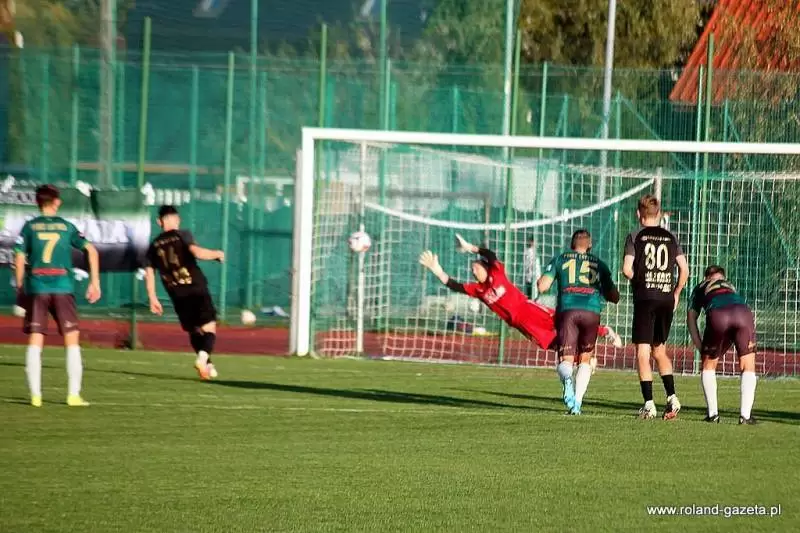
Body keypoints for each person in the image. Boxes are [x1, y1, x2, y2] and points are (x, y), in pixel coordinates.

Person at [418, 234, 621, 355]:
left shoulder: (497, 273)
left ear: (485, 267)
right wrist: (437, 269)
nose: (473, 270)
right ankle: (582, 357)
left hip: (528, 308)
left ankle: (605, 331)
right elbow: (454, 285)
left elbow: (490, 255)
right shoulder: (478, 290)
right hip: (519, 323)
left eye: (476, 267)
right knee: (548, 342)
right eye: (472, 269)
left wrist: (470, 248)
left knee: (561, 321)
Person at [13, 184, 101, 407]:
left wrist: (21, 287)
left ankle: (36, 396)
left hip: (37, 287)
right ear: (56, 202)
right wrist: (94, 282)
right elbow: (91, 250)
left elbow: (19, 257)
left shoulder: (29, 227)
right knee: (71, 340)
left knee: (36, 340)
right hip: (62, 287)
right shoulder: (66, 226)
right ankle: (73, 395)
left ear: (37, 202)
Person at [537, 229, 620, 414]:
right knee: (585, 358)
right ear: (589, 245)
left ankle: (567, 381)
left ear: (571, 244)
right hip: (591, 312)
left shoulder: (560, 259)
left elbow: (543, 286)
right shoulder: (599, 264)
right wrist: (605, 292)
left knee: (565, 359)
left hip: (568, 310)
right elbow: (614, 296)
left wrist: (540, 282)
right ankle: (578, 403)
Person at [622, 194, 689, 420]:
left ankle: (649, 404)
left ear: (638, 214)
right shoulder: (671, 237)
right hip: (666, 298)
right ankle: (672, 397)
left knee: (643, 352)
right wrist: (676, 292)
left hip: (645, 298)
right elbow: (684, 270)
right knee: (659, 350)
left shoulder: (635, 236)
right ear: (658, 214)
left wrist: (640, 280)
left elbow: (627, 269)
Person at [145, 206, 225, 380]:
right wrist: (217, 254)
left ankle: (208, 365)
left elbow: (149, 272)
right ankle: (202, 359)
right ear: (177, 219)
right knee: (209, 326)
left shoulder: (153, 245)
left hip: (177, 294)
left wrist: (152, 297)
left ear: (159, 221)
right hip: (195, 288)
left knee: (194, 330)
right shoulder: (182, 234)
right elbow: (197, 252)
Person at [687, 265, 758, 425]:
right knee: (748, 365)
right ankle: (745, 416)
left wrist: (701, 347)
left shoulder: (700, 287)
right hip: (743, 313)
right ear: (723, 278)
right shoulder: (730, 286)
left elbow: (691, 318)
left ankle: (713, 415)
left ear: (706, 278)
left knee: (708, 365)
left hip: (718, 314)